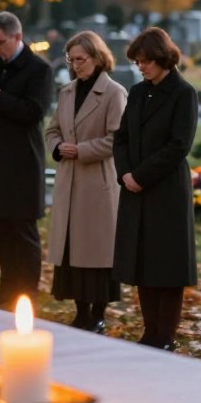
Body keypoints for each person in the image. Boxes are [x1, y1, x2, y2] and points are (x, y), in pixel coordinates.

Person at [112, 27, 198, 350]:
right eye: (138, 63)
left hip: (166, 191)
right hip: (135, 188)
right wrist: (125, 174)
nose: (142, 67)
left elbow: (179, 145)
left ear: (163, 58)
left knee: (167, 265)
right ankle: (150, 331)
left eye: (146, 61)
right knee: (143, 262)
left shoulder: (182, 93)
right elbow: (121, 138)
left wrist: (141, 175)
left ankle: (165, 335)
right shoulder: (137, 93)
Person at [0, 11, 55, 308]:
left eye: (1, 42)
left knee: (22, 230)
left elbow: (34, 112)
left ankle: (26, 292)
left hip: (22, 163)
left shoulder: (38, 70)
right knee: (0, 229)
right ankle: (6, 287)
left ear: (17, 37)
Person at [44, 31, 128, 331]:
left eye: (81, 59)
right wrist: (56, 147)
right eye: (72, 59)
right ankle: (81, 311)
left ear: (97, 57)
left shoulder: (114, 92)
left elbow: (117, 139)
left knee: (97, 251)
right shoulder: (66, 92)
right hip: (69, 180)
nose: (76, 65)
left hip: (97, 182)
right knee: (72, 250)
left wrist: (80, 150)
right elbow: (52, 130)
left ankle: (98, 313)